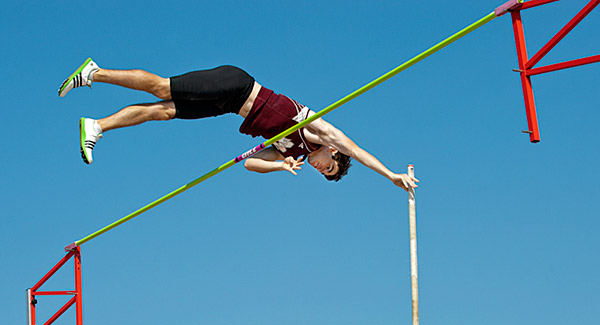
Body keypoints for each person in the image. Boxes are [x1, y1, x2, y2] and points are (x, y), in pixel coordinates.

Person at [58, 58, 419, 191]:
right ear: (333, 152)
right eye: (329, 166)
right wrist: (391, 175)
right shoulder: (317, 131)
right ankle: (95, 73)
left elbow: (249, 163)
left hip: (229, 106)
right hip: (237, 85)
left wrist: (280, 166)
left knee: (163, 112)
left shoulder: (292, 153)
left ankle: (98, 126)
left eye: (323, 173)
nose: (321, 168)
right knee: (162, 87)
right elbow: (357, 149)